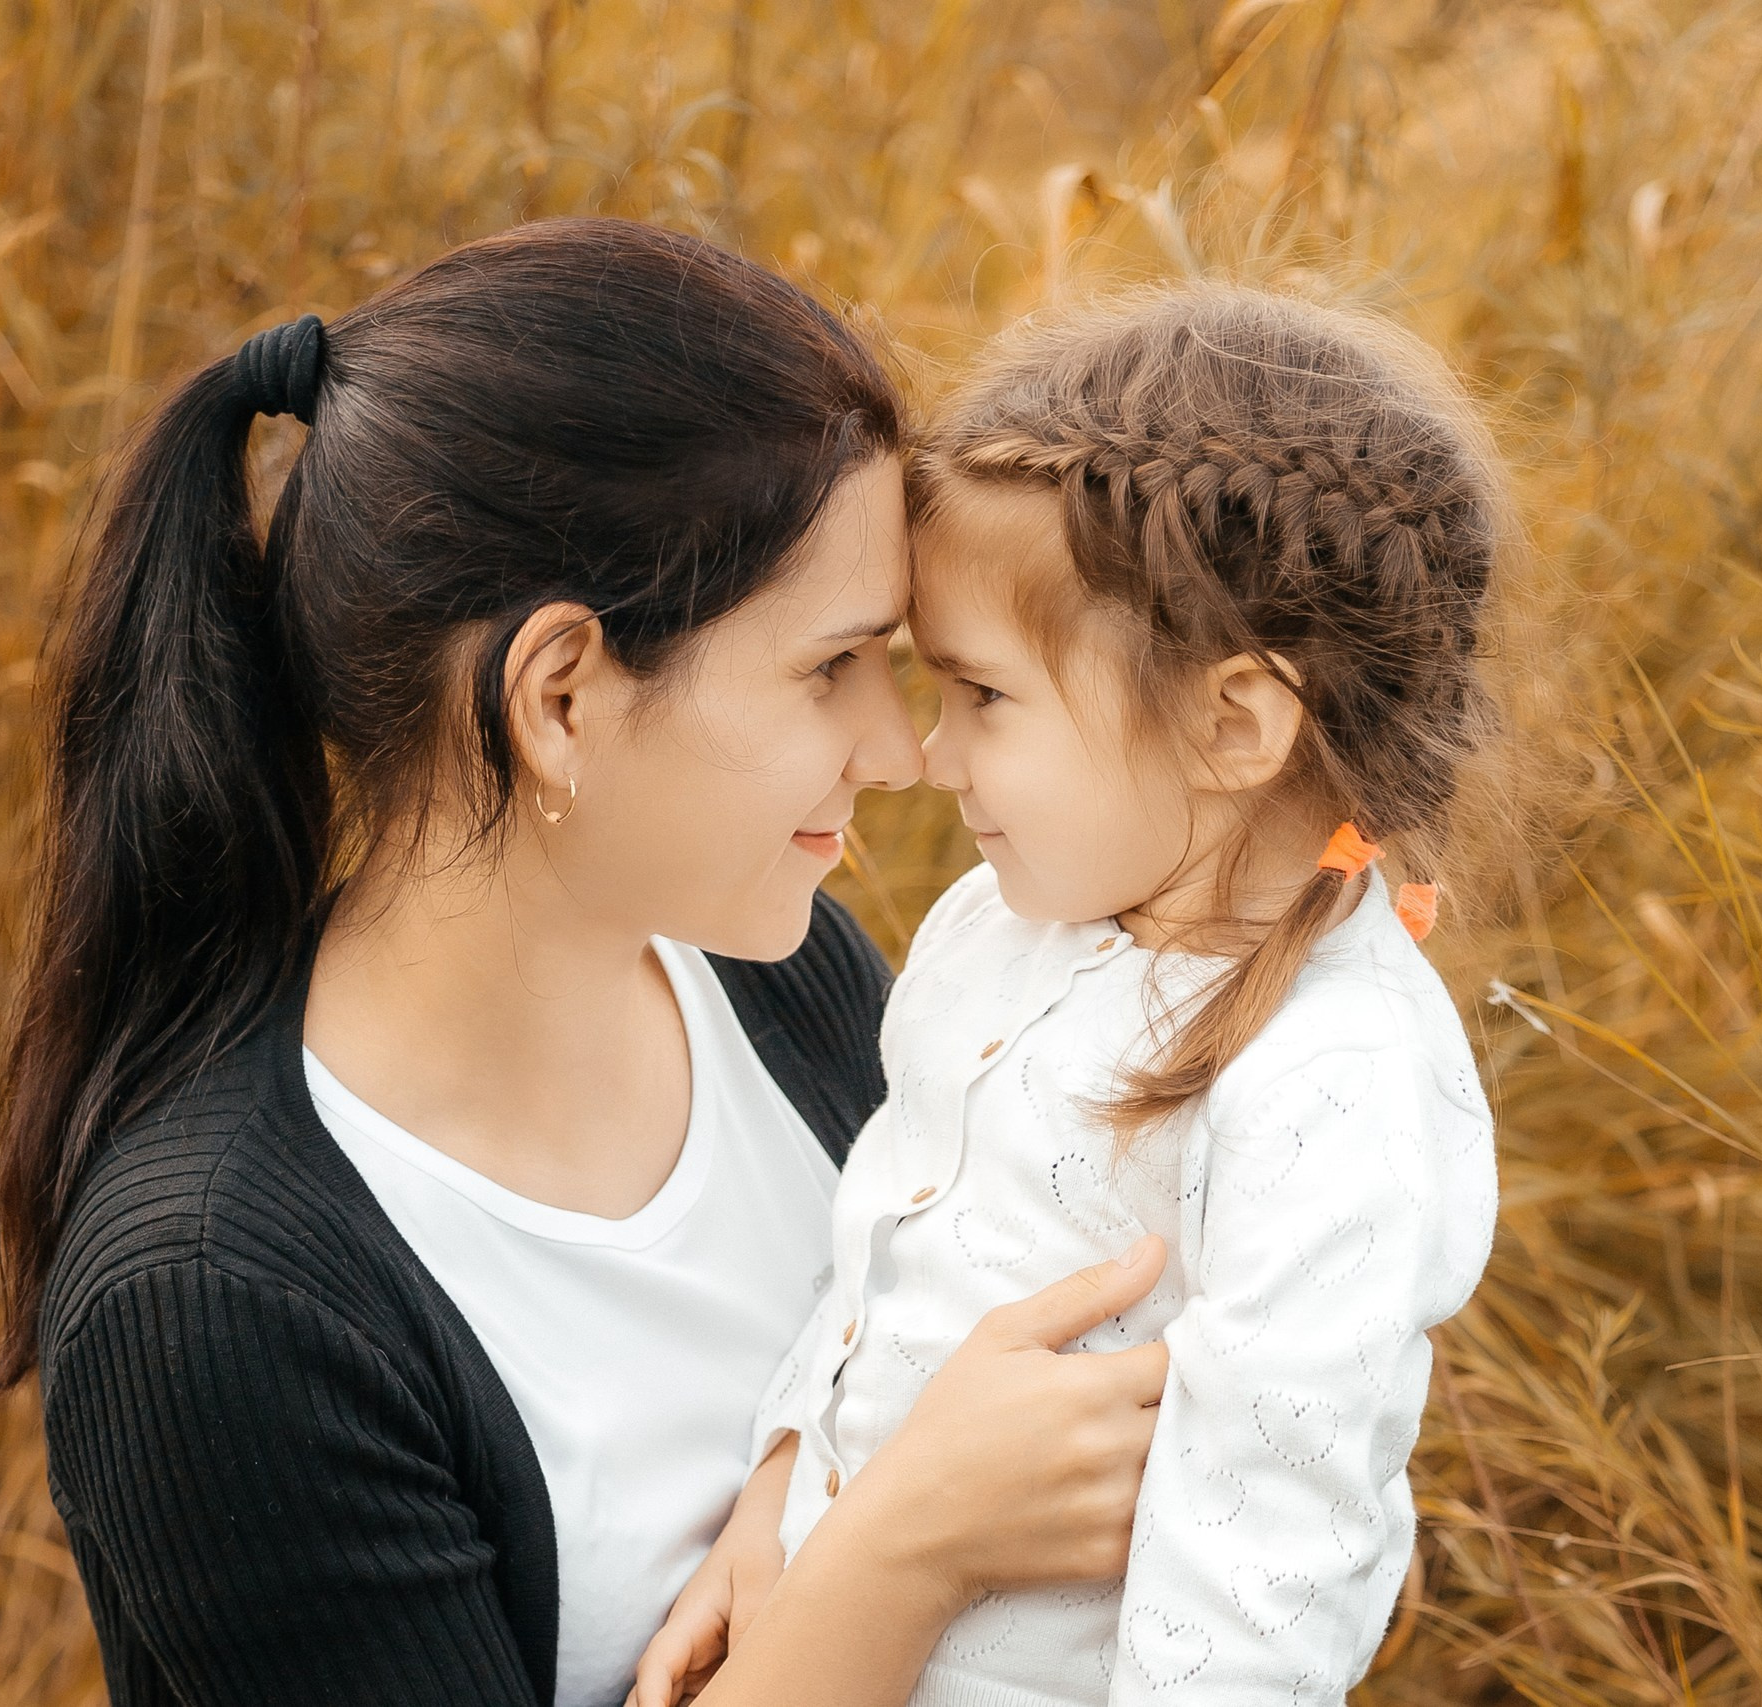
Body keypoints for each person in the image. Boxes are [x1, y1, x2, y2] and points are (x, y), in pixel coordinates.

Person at [0, 218, 1169, 1707]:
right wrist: (909, 1546)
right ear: (557, 695)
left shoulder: (783, 986)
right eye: (831, 668)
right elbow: (955, 1482)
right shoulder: (219, 1306)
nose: (894, 750)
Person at [635, 286, 1504, 1707]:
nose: (930, 754)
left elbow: (1266, 1554)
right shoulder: (999, 926)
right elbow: (880, 1248)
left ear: (1233, 723)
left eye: (983, 696)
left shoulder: (1329, 1077)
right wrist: (775, 1508)